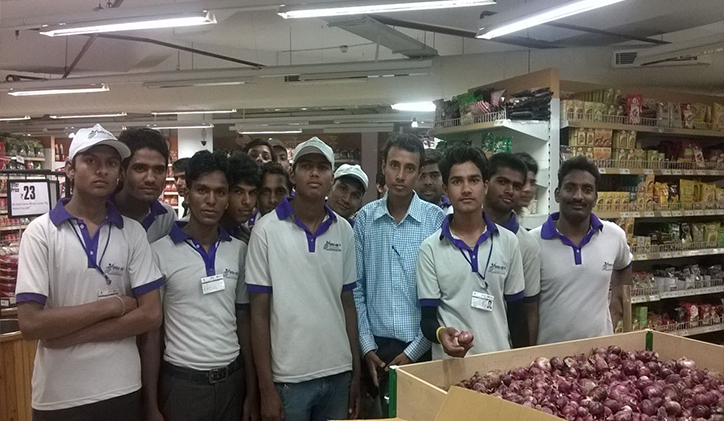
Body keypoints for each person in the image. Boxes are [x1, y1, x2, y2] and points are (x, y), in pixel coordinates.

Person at [15, 124, 163, 421]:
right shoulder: (40, 233)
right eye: (91, 161)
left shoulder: (132, 233)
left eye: (111, 163)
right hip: (58, 396)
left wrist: (71, 336)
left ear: (119, 173)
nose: (102, 170)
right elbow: (31, 323)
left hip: (123, 388)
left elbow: (150, 314)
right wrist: (113, 306)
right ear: (70, 169)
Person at [246, 137, 361, 421]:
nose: (314, 173)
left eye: (322, 167)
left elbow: (348, 304)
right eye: (307, 166)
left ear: (331, 178)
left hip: (338, 374)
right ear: (293, 174)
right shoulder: (266, 230)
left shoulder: (344, 230)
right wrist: (265, 388)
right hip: (288, 379)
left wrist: (355, 374)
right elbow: (258, 313)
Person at [146, 150, 257, 421]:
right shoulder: (158, 252)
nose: (211, 200)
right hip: (182, 386)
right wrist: (150, 404)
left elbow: (244, 320)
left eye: (220, 192)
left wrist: (252, 391)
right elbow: (151, 333)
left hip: (232, 381)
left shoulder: (239, 250)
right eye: (202, 190)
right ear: (187, 192)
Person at [353, 133, 446, 415]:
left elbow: (443, 293)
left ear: (419, 172)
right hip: (375, 350)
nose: (401, 176)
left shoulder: (436, 220)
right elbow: (357, 289)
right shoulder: (365, 220)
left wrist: (414, 351)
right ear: (383, 165)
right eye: (394, 165)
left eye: (409, 168)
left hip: (422, 347)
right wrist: (366, 347)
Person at [417, 146, 528, 360]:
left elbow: (517, 315)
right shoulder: (430, 249)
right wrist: (440, 334)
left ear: (485, 186)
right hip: (451, 366)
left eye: (474, 180)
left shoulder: (508, 242)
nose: (466, 189)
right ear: (446, 190)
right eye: (457, 181)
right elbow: (427, 320)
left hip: (500, 366)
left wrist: (522, 364)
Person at [530, 156, 632, 345]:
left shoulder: (614, 235)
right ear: (557, 194)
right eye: (570, 188)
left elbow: (625, 265)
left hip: (600, 354)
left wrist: (616, 307)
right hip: (549, 357)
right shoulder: (533, 242)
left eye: (587, 190)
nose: (578, 196)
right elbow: (528, 308)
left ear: (595, 198)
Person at [482, 153, 541, 345]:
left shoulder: (527, 244)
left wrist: (527, 355)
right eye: (502, 182)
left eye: (517, 186)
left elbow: (530, 309)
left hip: (503, 347)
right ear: (486, 183)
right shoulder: (458, 230)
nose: (509, 190)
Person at [113, 127, 176, 243]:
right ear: (121, 172)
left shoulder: (166, 217)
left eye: (159, 170)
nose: (150, 179)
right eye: (140, 169)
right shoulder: (100, 214)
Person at [221, 152, 262, 244]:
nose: (247, 201)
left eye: (252, 193)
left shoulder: (243, 233)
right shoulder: (208, 232)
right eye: (238, 192)